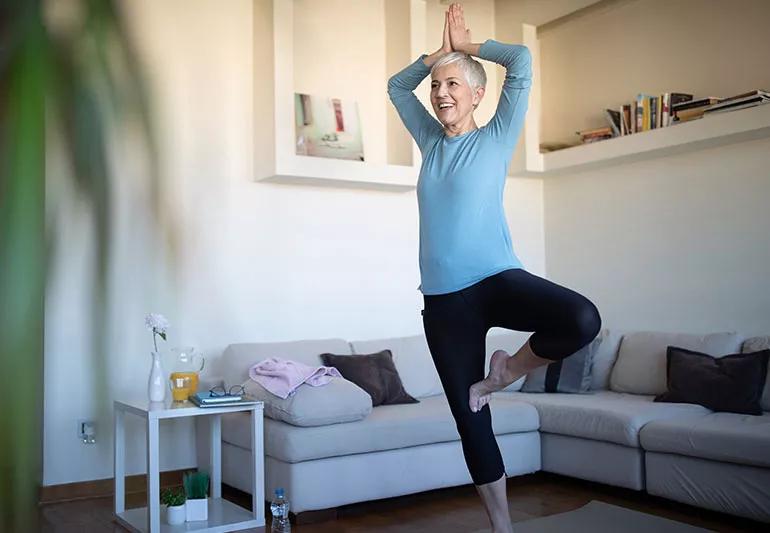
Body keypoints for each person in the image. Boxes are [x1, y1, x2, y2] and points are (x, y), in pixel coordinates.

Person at [387, 4, 602, 533]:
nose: (440, 93)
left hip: (496, 279)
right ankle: (502, 526)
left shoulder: (497, 135)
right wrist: (439, 57)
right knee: (470, 415)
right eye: (436, 85)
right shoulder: (431, 142)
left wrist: (469, 47)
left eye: (453, 84)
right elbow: (397, 87)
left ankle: (505, 371)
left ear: (478, 94)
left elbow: (522, 61)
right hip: (443, 302)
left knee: (581, 319)